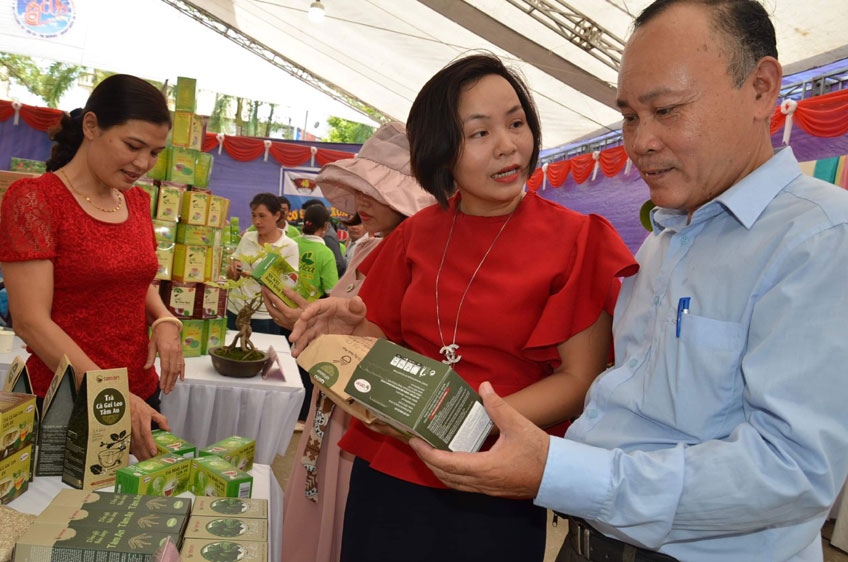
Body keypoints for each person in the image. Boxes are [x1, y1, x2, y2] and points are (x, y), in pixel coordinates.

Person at [408, 2, 848, 561]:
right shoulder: (667, 238)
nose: (640, 142)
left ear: (761, 89)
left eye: (666, 110)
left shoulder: (820, 238)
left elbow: (792, 472)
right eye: (631, 116)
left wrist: (560, 469)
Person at [290, 55, 637, 562]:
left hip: (495, 477)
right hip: (393, 470)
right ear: (441, 151)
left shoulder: (577, 240)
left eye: (516, 123)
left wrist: (464, 422)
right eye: (479, 133)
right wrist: (354, 328)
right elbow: (384, 350)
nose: (507, 145)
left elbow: (578, 379)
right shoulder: (415, 234)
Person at [263, 121, 436, 562]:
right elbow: (342, 318)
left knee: (346, 516)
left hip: (366, 414)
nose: (360, 202)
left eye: (373, 190)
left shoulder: (422, 260)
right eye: (357, 189)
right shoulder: (364, 248)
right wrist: (306, 317)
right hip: (332, 401)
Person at [0, 74, 183, 460]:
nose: (143, 163)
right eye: (133, 146)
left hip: (139, 393)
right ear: (91, 126)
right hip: (68, 401)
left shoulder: (132, 202)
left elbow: (129, 279)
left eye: (154, 152)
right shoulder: (35, 201)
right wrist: (111, 395)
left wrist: (165, 320)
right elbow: (30, 320)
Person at [226, 192, 298, 335]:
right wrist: (233, 270)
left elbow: (290, 285)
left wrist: (261, 276)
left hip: (266, 315)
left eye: (262, 216)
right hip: (236, 308)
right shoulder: (247, 238)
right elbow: (231, 276)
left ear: (277, 215)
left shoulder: (289, 246)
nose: (257, 221)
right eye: (254, 215)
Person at [295, 204, 339, 300]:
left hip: (285, 305)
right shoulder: (326, 253)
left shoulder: (291, 242)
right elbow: (331, 292)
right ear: (325, 225)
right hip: (311, 309)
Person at [302, 198, 347, 277]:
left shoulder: (327, 236)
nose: (305, 222)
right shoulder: (302, 239)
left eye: (307, 218)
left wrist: (322, 275)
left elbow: (339, 264)